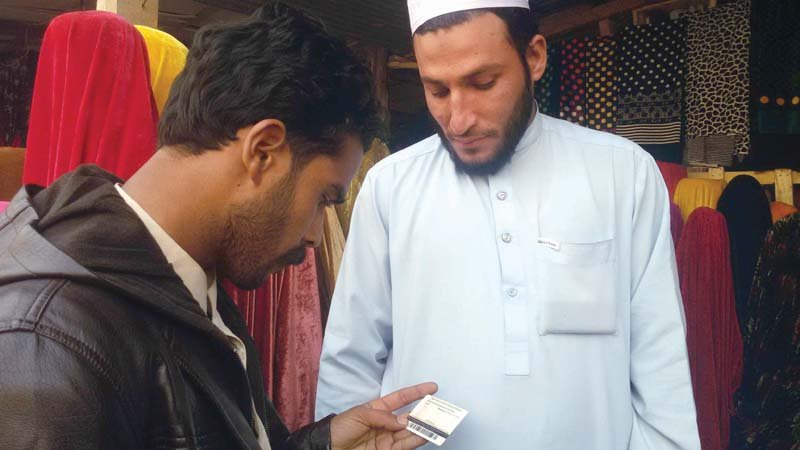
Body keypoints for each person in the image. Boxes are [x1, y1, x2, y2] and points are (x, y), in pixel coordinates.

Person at [0, 4, 435, 449]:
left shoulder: (184, 277)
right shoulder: (50, 342)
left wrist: (321, 444)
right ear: (263, 150)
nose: (314, 237)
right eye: (323, 198)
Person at [316, 1, 701, 449]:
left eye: (482, 83)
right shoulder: (390, 186)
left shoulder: (623, 173)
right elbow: (350, 362)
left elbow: (660, 358)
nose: (459, 119)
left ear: (534, 57)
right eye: (437, 91)